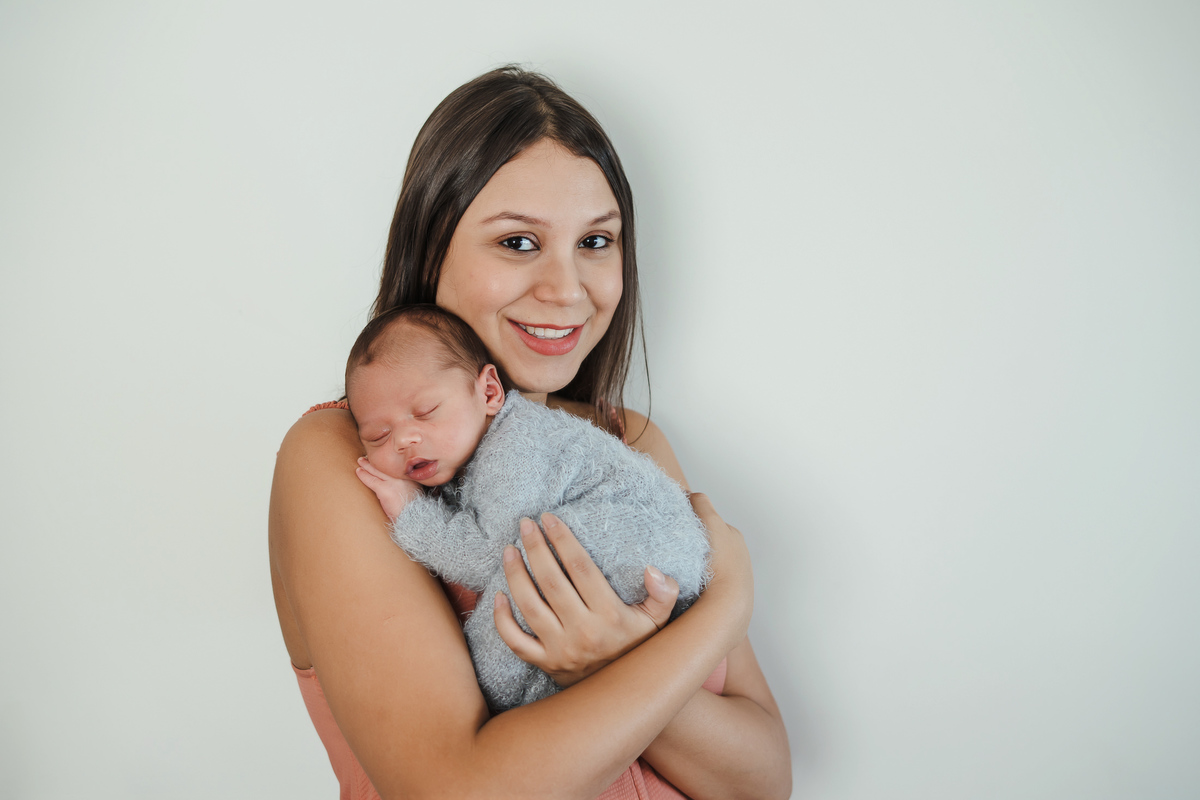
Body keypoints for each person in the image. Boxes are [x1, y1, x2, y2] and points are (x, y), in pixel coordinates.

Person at [269, 66, 792, 799]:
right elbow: (455, 790)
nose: (568, 289)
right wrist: (727, 608)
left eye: (596, 241)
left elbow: (762, 781)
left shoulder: (629, 443)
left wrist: (607, 657)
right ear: (431, 248)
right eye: (517, 243)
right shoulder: (350, 460)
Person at [344, 303, 711, 714]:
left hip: (639, 544)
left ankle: (495, 708)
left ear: (488, 393)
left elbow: (488, 557)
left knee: (520, 574)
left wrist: (412, 513)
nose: (403, 440)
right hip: (656, 565)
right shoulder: (477, 447)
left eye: (426, 412)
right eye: (378, 436)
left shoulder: (517, 444)